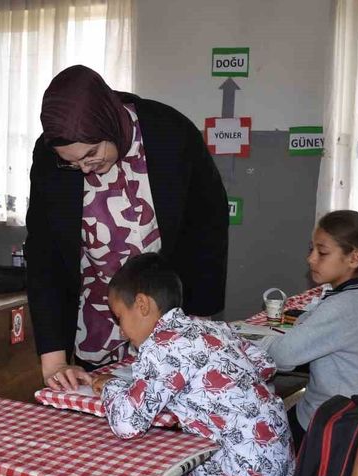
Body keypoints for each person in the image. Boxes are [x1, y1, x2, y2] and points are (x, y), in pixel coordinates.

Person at [89, 253, 299, 476]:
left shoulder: (163, 346)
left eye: (119, 317)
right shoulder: (209, 326)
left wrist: (110, 386)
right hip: (278, 468)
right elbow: (264, 364)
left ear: (142, 305)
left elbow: (127, 423)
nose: (121, 329)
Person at [26, 65, 229, 392]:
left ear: (109, 122)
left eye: (91, 154)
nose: (85, 168)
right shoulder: (52, 155)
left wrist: (198, 327)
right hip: (93, 318)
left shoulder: (170, 133)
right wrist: (54, 361)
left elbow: (207, 230)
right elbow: (44, 254)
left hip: (165, 316)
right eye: (72, 163)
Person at [259, 210, 358, 450]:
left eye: (322, 252)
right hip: (351, 413)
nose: (310, 259)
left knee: (252, 433)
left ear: (354, 258)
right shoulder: (357, 294)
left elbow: (282, 356)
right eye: (312, 249)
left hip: (336, 425)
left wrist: (255, 342)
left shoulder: (343, 307)